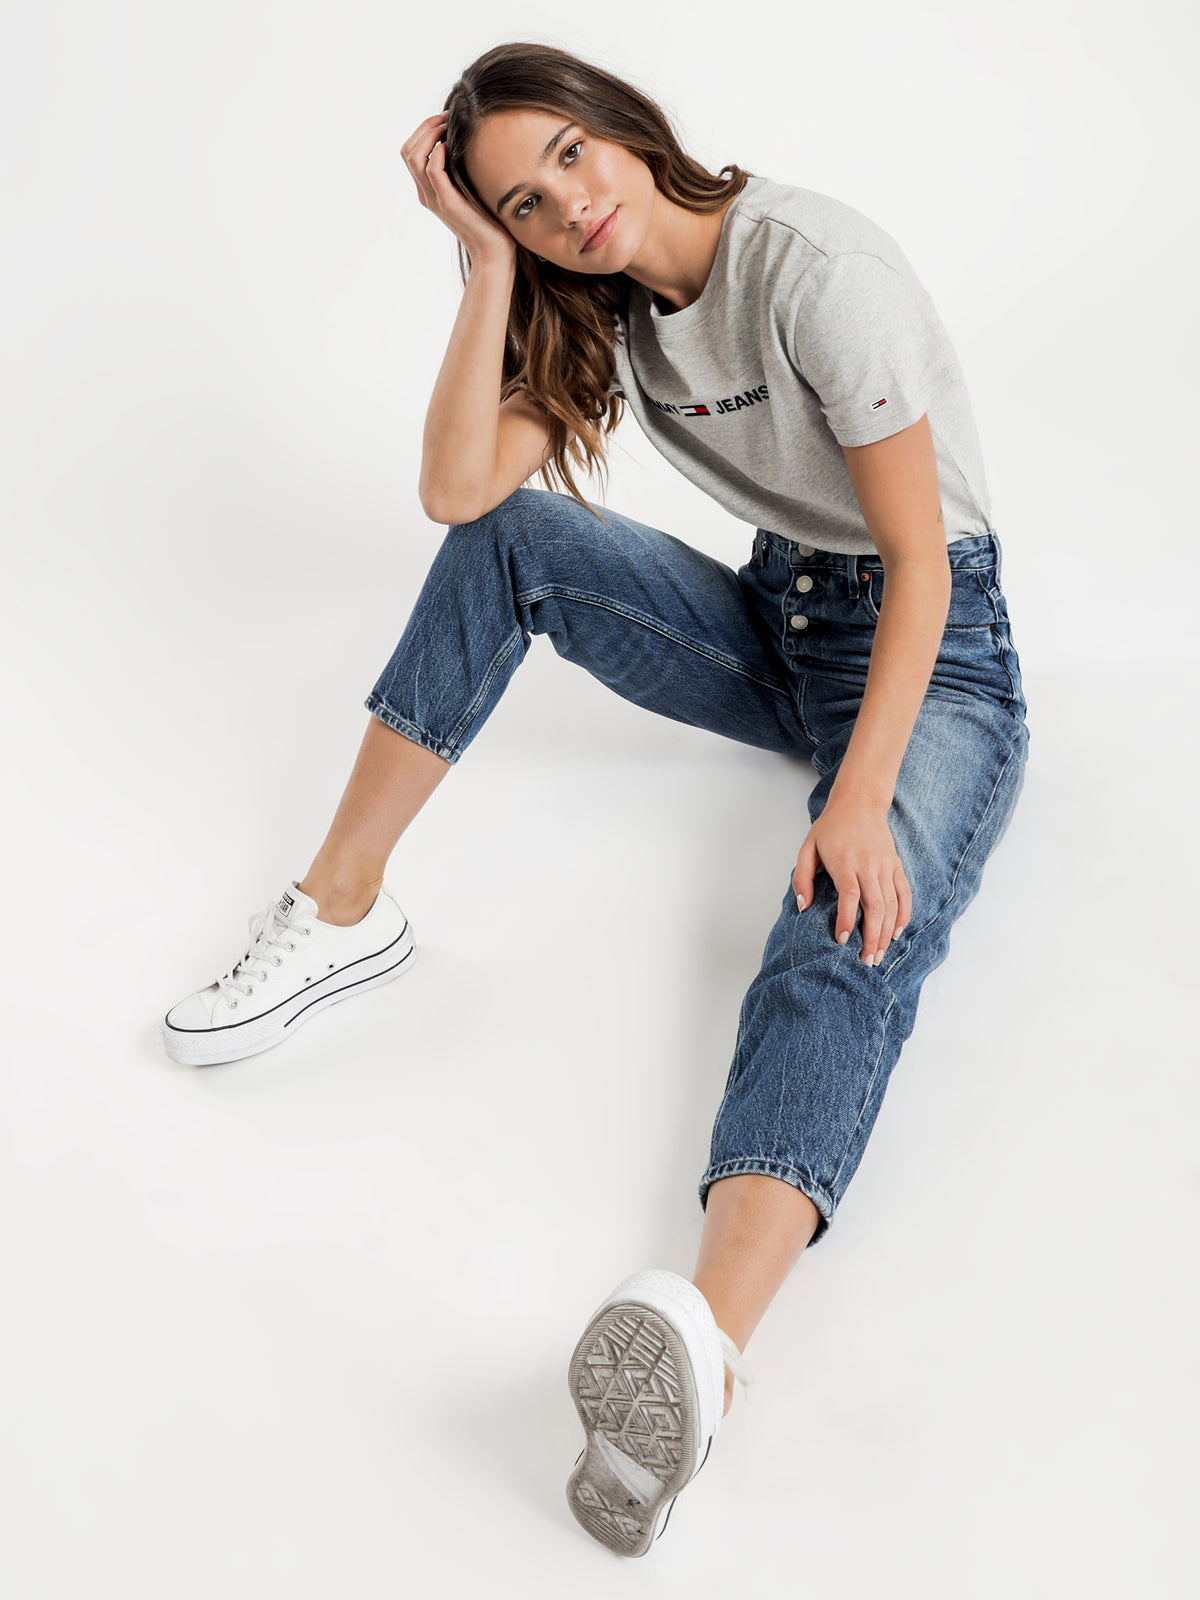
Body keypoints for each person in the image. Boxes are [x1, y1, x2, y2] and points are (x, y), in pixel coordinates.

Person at [161, 41, 1029, 1559]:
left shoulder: (816, 269)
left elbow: (922, 564)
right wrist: (484, 263)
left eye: (568, 155)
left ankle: (702, 1345)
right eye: (522, 201)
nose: (566, 205)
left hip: (933, 656)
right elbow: (459, 494)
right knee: (511, 543)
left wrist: (859, 794)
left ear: (622, 126)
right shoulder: (602, 307)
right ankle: (340, 909)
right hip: (779, 625)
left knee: (840, 927)